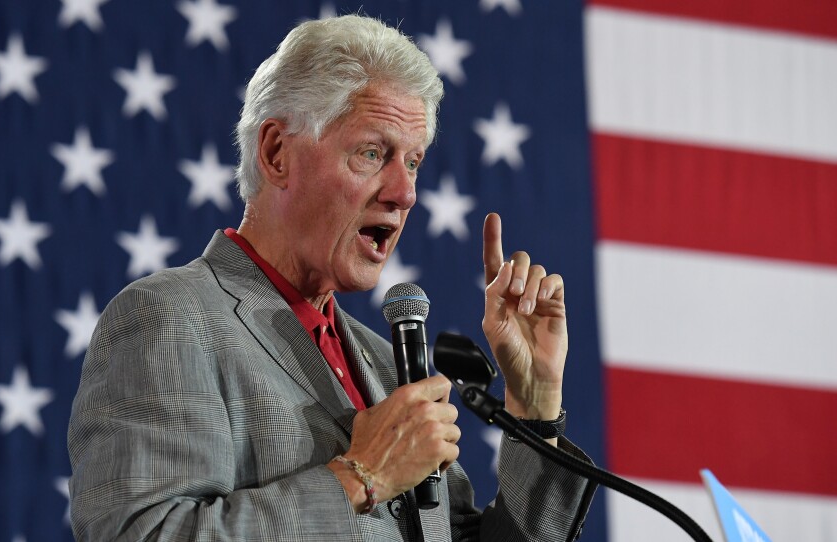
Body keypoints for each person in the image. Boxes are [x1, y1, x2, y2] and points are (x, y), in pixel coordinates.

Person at [68, 14, 596, 541]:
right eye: (372, 152)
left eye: (413, 162)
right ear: (277, 153)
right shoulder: (169, 318)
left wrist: (533, 404)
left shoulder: (388, 367)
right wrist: (359, 477)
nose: (405, 192)